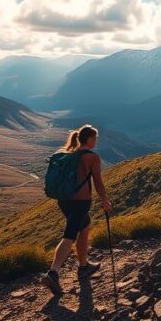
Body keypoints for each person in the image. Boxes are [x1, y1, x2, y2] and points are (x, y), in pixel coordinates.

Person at [40, 124, 112, 296]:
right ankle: (53, 272)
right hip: (81, 201)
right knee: (70, 235)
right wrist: (105, 201)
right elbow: (98, 182)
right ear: (89, 139)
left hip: (64, 200)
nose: (95, 141)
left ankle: (83, 266)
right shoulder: (92, 157)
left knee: (85, 227)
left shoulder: (68, 153)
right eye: (94, 138)